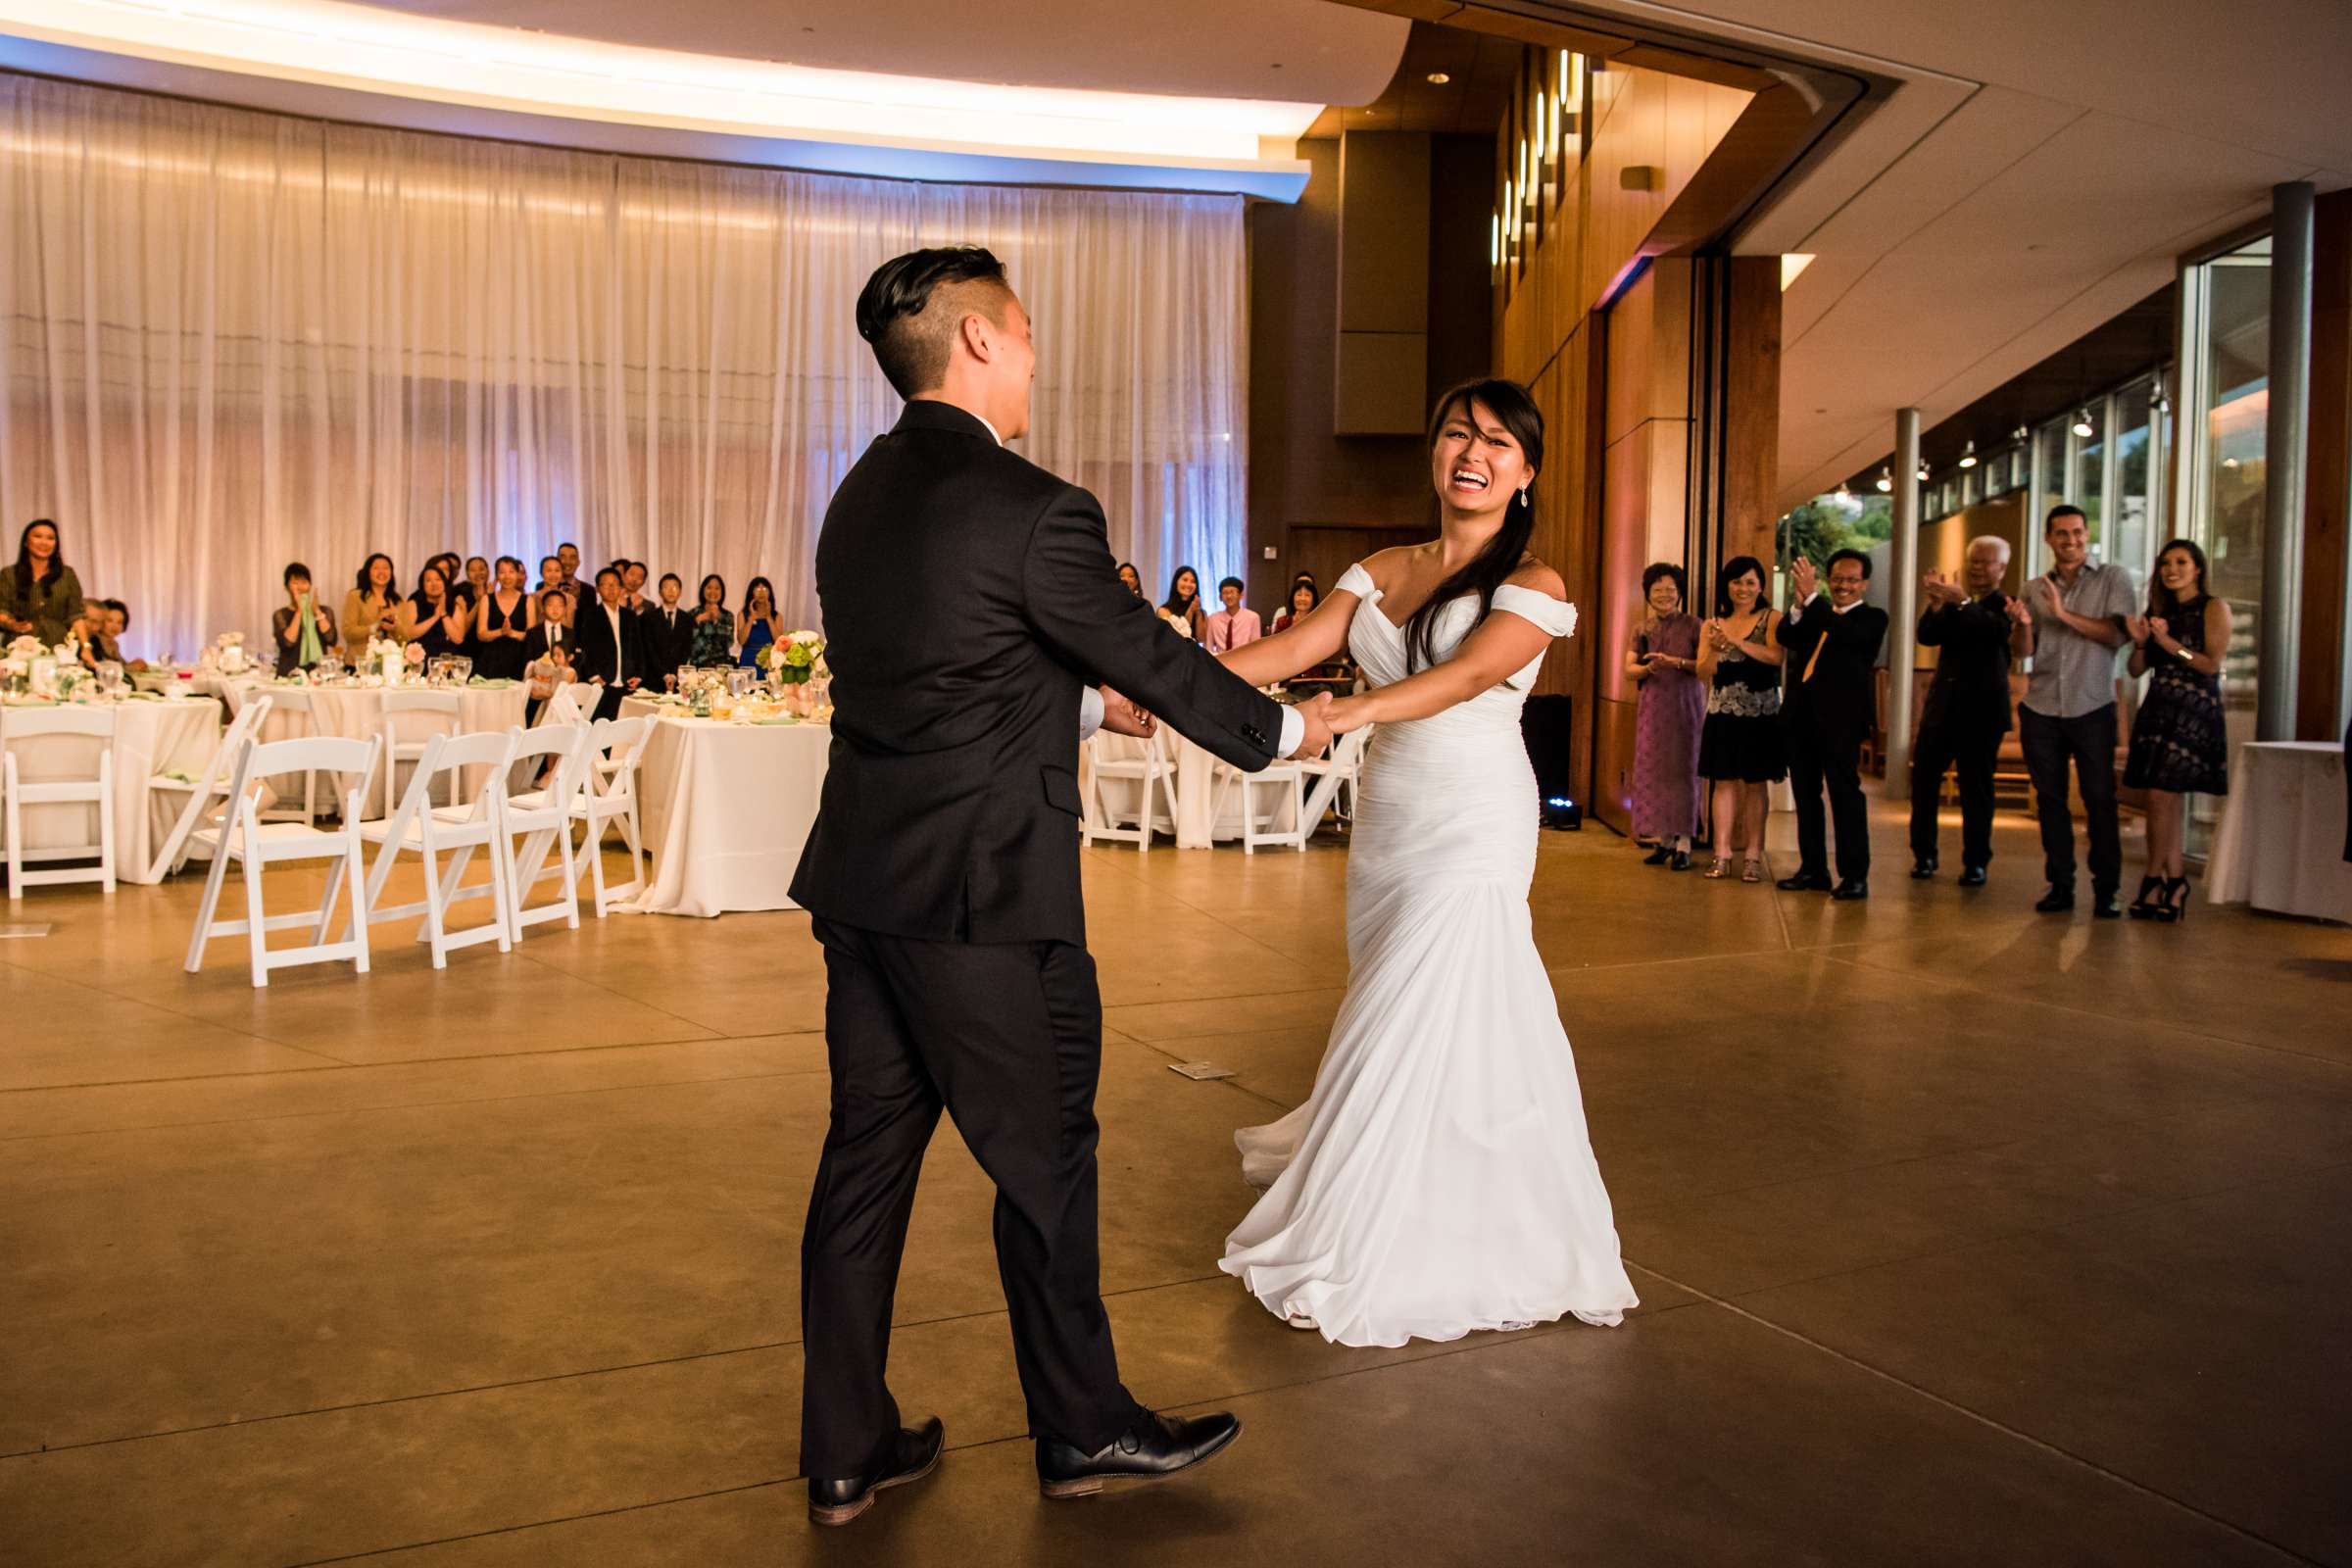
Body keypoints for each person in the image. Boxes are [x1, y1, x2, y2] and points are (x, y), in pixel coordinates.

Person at [788, 246, 1314, 1525]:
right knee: (1045, 1166)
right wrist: (1297, 736)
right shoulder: (1033, 506)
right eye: (1022, 335)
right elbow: (1146, 648)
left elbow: (940, 676)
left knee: (864, 1168)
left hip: (864, 888)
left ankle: (847, 1447)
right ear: (975, 340)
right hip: (984, 906)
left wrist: (1083, 715)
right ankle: (1083, 1432)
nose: (1032, 357)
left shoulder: (858, 498)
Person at [1210, 376, 1635, 1348]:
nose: (1471, 453)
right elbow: (1289, 650)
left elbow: (1470, 674)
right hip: (1392, 817)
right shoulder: (1381, 567)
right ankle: (1421, 1172)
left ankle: (1402, 1227)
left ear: (1525, 473)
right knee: (1393, 998)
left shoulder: (1538, 584)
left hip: (1475, 816)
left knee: (1433, 992)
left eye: (1496, 442)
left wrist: (1352, 710)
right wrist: (1167, 685)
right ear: (1433, 452)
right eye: (1455, 434)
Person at [2016, 504, 2137, 917]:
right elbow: (2022, 653)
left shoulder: (2113, 579)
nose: (2071, 540)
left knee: (2099, 799)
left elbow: (2115, 635)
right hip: (2042, 706)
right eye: (2062, 534)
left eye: (2078, 532)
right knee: (2050, 801)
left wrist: (2062, 613)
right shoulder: (2032, 588)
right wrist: (2023, 625)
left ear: (2087, 535)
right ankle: (2060, 886)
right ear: (2049, 539)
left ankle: (2107, 890)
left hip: (2092, 707)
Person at [2123, 539, 2231, 921]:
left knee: (2159, 797)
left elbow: (2209, 665)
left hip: (2194, 710)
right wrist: (2140, 643)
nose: (2172, 569)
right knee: (2163, 800)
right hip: (2159, 708)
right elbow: (2136, 670)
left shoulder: (2213, 607)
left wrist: (2168, 643)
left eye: (2181, 562)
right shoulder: (2158, 611)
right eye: (2166, 563)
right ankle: (2177, 881)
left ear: (2197, 568)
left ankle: (2153, 878)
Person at [1776, 550, 1888, 900]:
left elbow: (1842, 634)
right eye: (1837, 579)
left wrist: (1812, 598)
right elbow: (1786, 637)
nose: (1843, 586)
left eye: (1852, 580)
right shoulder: (1816, 614)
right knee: (1807, 797)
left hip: (1841, 723)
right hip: (1802, 719)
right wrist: (1798, 605)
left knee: (1845, 796)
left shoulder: (1872, 618)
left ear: (1864, 584)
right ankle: (1813, 870)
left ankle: (1855, 876)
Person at [1910, 536, 2019, 885]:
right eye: (1973, 561)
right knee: (1924, 782)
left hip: (1982, 712)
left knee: (1977, 790)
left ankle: (1976, 862)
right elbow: (1926, 636)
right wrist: (1938, 605)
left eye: (1986, 562)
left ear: (2001, 568)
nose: (1978, 568)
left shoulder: (2007, 605)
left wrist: (1963, 602)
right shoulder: (1956, 602)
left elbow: (1995, 632)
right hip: (1942, 708)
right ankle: (1924, 856)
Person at [1694, 555, 1784, 883]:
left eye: (1750, 582)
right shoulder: (1712, 623)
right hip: (1722, 714)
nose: (1743, 589)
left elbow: (1775, 656)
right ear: (1727, 586)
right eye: (1736, 582)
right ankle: (1721, 854)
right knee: (1723, 783)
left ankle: (1753, 856)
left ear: (1760, 586)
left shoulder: (1771, 618)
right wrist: (1717, 649)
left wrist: (1735, 642)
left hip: (1761, 715)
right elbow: (1702, 672)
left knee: (1756, 784)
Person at [1627, 563, 1704, 868]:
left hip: (1686, 705)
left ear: (1680, 593)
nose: (1664, 595)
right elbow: (1627, 670)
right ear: (1648, 594)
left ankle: (1684, 843)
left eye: (1670, 590)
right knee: (1654, 771)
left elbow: (1706, 667)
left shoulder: (1695, 625)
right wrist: (1648, 668)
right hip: (1653, 707)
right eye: (1657, 590)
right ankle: (1664, 840)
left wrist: (1678, 662)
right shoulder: (1641, 629)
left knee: (1685, 771)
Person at [571, 565, 648, 721]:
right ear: (598, 589)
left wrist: (639, 674)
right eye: (605, 584)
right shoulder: (590, 615)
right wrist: (593, 676)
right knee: (599, 726)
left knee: (623, 730)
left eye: (615, 584)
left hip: (627, 681)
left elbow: (638, 647)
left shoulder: (630, 616)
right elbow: (585, 648)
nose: (611, 589)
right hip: (602, 681)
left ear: (621, 588)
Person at [0, 519, 87, 646]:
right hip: (19, 646)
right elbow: (2, 609)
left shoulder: (67, 574)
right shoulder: (9, 574)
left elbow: (76, 615)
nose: (44, 543)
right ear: (26, 542)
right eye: (38, 536)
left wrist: (86, 646)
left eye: (50, 538)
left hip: (58, 646)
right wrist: (11, 624)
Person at [471, 556, 536, 680]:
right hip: (491, 658)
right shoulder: (487, 599)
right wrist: (500, 632)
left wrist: (512, 633)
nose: (507, 576)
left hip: (519, 659)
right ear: (496, 576)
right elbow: (481, 634)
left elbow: (531, 635)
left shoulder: (528, 600)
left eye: (511, 572)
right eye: (502, 572)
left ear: (518, 574)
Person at [517, 586, 574, 725]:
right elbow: (527, 660)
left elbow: (574, 661)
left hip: (561, 693)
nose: (555, 609)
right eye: (550, 605)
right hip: (538, 691)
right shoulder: (533, 633)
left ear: (565, 609)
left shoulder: (571, 634)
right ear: (542, 608)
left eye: (560, 606)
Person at [271, 564, 338, 676]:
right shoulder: (280, 614)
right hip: (289, 674)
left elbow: (331, 639)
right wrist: (299, 611)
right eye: (295, 583)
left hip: (318, 674)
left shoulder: (325, 611)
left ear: (310, 585)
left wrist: (317, 612)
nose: (300, 587)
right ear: (287, 587)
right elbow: (288, 642)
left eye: (304, 582)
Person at [399, 564, 469, 661]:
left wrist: (444, 614)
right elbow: (408, 634)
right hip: (419, 661)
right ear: (422, 585)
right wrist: (435, 617)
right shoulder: (413, 604)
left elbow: (458, 639)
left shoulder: (454, 606)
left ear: (444, 583)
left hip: (446, 661)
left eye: (438, 580)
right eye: (428, 580)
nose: (434, 584)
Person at [343, 554, 402, 656]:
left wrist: (395, 628)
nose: (381, 572)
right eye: (376, 568)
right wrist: (375, 627)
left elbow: (405, 638)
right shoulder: (356, 596)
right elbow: (348, 632)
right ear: (368, 572)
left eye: (386, 568)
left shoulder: (396, 600)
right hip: (361, 662)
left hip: (390, 663)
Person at [643, 571, 696, 677]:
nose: (671, 591)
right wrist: (665, 675)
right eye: (666, 587)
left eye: (675, 587)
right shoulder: (648, 617)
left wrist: (674, 675)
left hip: (678, 677)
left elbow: (686, 650)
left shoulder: (687, 618)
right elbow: (649, 650)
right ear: (660, 592)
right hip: (654, 677)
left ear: (680, 592)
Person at [1202, 576, 1261, 653]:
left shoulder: (1253, 618)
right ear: (1220, 597)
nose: (1229, 596)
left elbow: (1256, 649)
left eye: (1232, 592)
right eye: (1225, 593)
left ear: (1241, 595)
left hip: (1245, 662)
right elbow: (1208, 648)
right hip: (1220, 662)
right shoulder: (1213, 619)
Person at [737, 577, 783, 672]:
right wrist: (751, 619)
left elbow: (779, 641)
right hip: (748, 660)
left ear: (770, 593)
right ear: (751, 592)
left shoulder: (777, 616)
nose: (761, 592)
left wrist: (769, 617)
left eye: (765, 589)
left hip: (769, 660)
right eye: (757, 589)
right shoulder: (743, 614)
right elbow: (741, 641)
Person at [689, 573, 736, 667]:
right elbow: (688, 642)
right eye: (709, 587)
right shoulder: (692, 614)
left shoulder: (728, 616)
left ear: (722, 592)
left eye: (717, 588)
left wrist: (717, 621)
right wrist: (698, 621)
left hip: (722, 666)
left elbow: (729, 642)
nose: (713, 591)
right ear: (703, 590)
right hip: (698, 665)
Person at [1159, 565, 1203, 639]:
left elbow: (1201, 639)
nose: (1188, 584)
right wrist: (1191, 611)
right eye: (1185, 580)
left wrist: (1198, 613)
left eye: (1193, 581)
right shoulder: (1164, 611)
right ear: (1176, 582)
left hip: (1194, 650)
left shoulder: (1202, 613)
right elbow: (1180, 636)